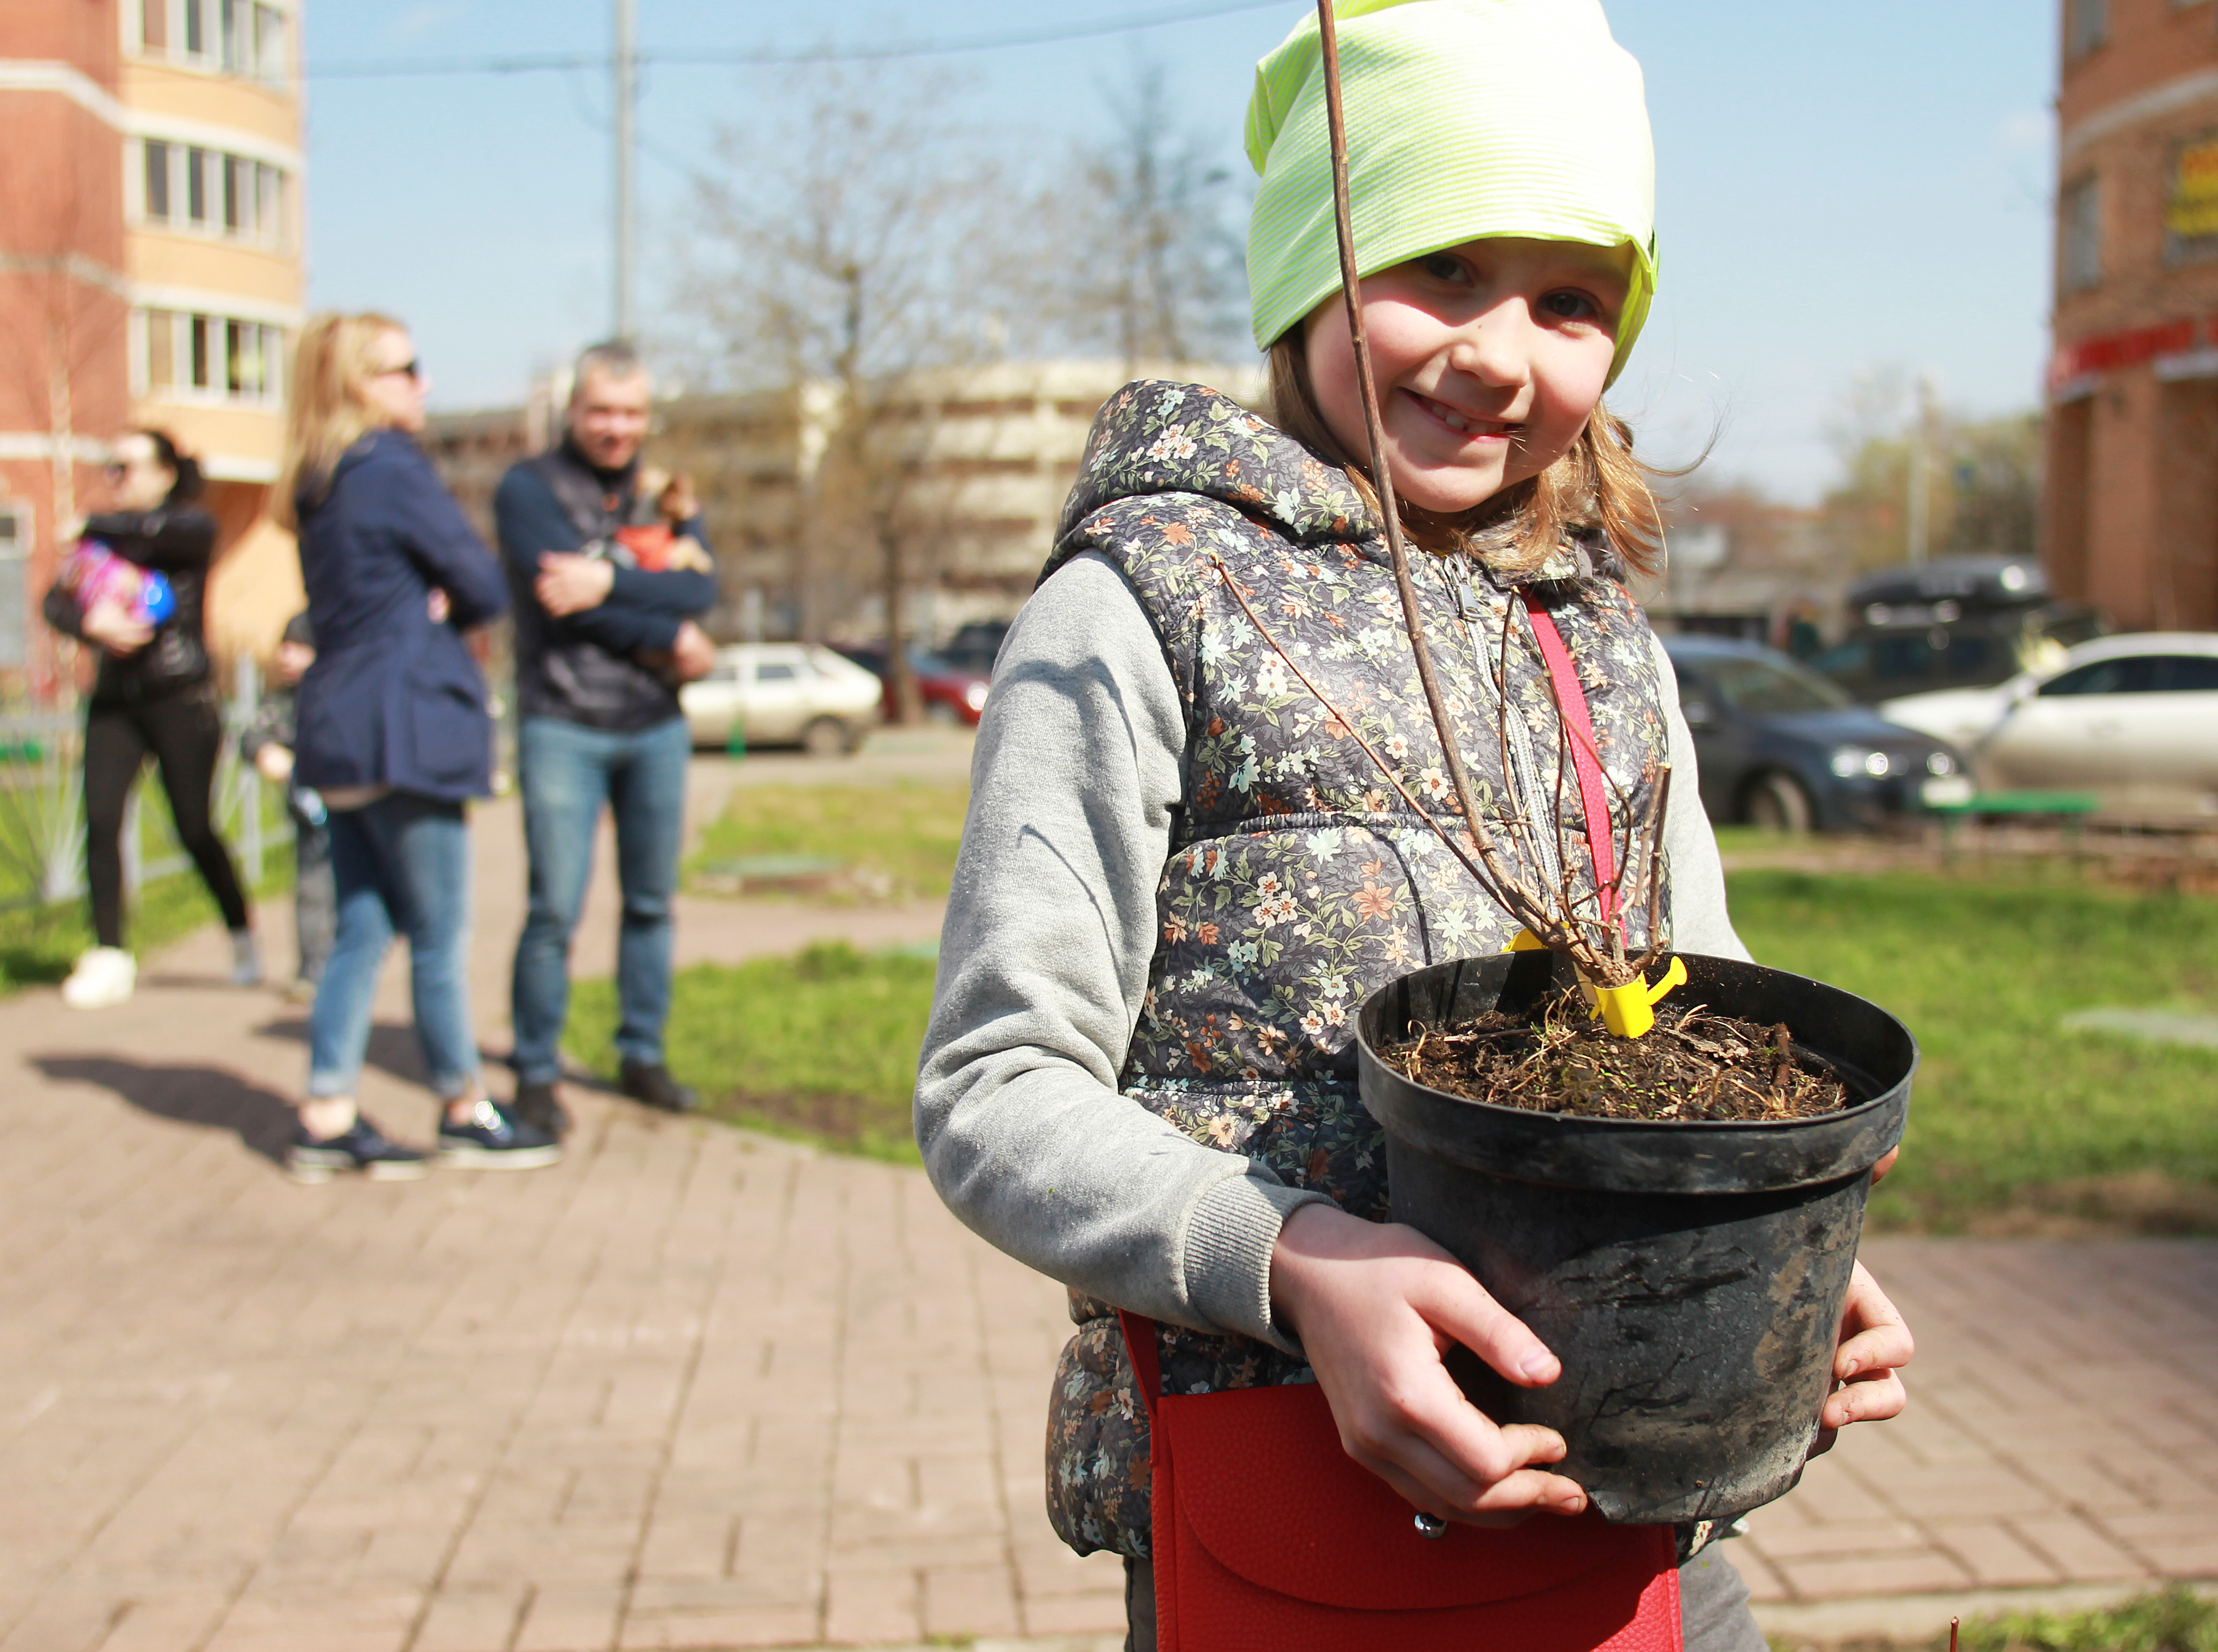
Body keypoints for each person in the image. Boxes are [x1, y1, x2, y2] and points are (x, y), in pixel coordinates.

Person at [913, 4, 1916, 1649]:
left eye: (1573, 301)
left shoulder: (1596, 640)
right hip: (1282, 1496)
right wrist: (1294, 1258)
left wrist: (1777, 1237)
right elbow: (995, 1087)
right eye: (1441, 267)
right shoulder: (1150, 602)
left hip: (1622, 1503)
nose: (1503, 352)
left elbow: (1712, 1009)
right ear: (1311, 261)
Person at [278, 310, 557, 1183]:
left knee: (362, 926)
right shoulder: (390, 466)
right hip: (404, 724)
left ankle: (326, 1111)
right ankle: (464, 1105)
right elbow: (480, 583)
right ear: (359, 383)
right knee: (441, 930)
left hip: (337, 727)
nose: (423, 384)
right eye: (405, 368)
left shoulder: (316, 480)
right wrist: (442, 600)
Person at [494, 341, 718, 1136]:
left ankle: (641, 1055)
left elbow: (704, 586)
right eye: (601, 411)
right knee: (555, 908)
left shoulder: (667, 494)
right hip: (564, 720)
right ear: (573, 411)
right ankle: (533, 1072)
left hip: (655, 723)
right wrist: (666, 624)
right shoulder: (530, 489)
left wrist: (613, 580)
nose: (616, 428)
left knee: (652, 904)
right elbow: (564, 601)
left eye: (630, 413)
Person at [46, 429, 257, 1010]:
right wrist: (90, 626)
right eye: (112, 468)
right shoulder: (99, 549)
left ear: (166, 474)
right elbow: (55, 600)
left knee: (193, 826)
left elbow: (157, 537)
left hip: (179, 696)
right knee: (102, 816)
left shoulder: (187, 529)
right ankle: (109, 952)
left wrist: (88, 525)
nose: (119, 479)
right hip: (116, 699)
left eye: (130, 467)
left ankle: (241, 930)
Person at [238, 612, 333, 998]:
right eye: (285, 646)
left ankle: (351, 962)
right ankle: (313, 970)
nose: (286, 656)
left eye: (298, 647)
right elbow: (251, 735)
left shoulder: (337, 694)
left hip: (352, 808)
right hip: (310, 815)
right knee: (312, 890)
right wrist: (263, 750)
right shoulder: (282, 701)